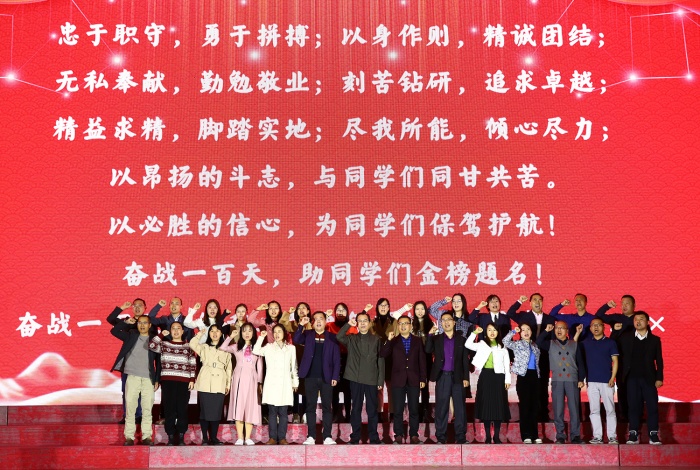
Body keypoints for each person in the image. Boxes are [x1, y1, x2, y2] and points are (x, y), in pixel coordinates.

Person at [107, 298, 165, 424]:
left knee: (143, 393)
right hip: (129, 364)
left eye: (140, 305)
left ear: (145, 308)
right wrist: (123, 311)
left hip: (145, 365)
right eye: (135, 306)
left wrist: (156, 376)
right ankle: (127, 415)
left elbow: (155, 350)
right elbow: (111, 320)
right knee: (127, 392)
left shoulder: (151, 325)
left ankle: (139, 416)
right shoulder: (129, 321)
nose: (137, 308)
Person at [613, 311, 664, 445]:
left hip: (649, 379)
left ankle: (653, 434)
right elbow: (612, 346)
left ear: (647, 322)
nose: (638, 321)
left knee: (652, 406)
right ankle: (633, 433)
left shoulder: (655, 340)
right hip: (631, 378)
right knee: (633, 406)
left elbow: (659, 361)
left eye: (641, 319)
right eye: (636, 319)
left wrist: (659, 378)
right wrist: (615, 331)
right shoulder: (625, 338)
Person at [110, 315, 160, 446]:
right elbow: (114, 331)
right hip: (132, 377)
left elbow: (158, 361)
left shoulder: (154, 340)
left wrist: (157, 379)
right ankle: (129, 437)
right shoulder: (130, 336)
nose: (142, 325)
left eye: (145, 323)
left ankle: (147, 436)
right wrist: (126, 322)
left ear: (150, 325)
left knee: (147, 409)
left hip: (148, 378)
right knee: (130, 408)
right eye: (140, 323)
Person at [506, 294, 556, 422]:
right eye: (534, 300)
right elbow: (510, 313)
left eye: (540, 300)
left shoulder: (550, 319)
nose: (537, 302)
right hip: (526, 358)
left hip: (543, 356)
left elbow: (552, 339)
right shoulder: (524, 316)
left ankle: (543, 415)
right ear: (530, 303)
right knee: (525, 388)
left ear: (543, 302)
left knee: (543, 386)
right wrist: (519, 301)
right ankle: (525, 415)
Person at [293, 311, 341, 445]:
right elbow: (296, 339)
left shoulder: (333, 337)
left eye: (321, 319)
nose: (318, 321)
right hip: (310, 376)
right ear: (312, 323)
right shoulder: (307, 335)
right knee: (310, 407)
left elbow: (336, 359)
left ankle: (327, 436)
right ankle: (311, 436)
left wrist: (335, 376)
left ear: (326, 321)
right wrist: (301, 325)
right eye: (315, 319)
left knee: (327, 407)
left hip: (327, 377)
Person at [338, 311, 385, 444]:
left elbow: (380, 361)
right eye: (360, 321)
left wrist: (380, 380)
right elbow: (339, 336)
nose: (363, 323)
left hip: (371, 379)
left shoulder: (377, 339)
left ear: (369, 323)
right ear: (357, 324)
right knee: (356, 409)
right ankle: (355, 437)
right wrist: (348, 324)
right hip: (355, 378)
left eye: (365, 321)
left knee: (372, 410)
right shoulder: (352, 338)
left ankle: (374, 437)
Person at [380, 315, 427, 444]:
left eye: (406, 323)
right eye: (400, 323)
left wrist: (423, 378)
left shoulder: (417, 341)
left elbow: (422, 361)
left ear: (410, 326)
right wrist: (388, 340)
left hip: (414, 379)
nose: (403, 326)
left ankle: (414, 435)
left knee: (414, 409)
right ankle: (398, 435)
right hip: (397, 379)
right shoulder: (393, 340)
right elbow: (383, 354)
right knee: (398, 410)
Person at [425, 312, 471, 444]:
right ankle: (441, 436)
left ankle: (461, 437)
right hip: (442, 376)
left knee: (460, 408)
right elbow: (428, 350)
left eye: (448, 319)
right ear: (441, 323)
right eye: (443, 320)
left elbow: (465, 360)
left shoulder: (461, 339)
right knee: (441, 408)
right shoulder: (437, 339)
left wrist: (466, 377)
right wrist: (429, 335)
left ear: (454, 322)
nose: (446, 322)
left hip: (458, 377)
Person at [148, 321, 196, 446]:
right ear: (170, 331)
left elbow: (192, 363)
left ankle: (181, 436)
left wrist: (192, 379)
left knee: (182, 409)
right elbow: (151, 346)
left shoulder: (188, 346)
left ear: (182, 331)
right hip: (168, 381)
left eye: (178, 328)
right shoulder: (164, 344)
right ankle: (170, 436)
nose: (176, 331)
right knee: (169, 409)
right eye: (173, 328)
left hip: (184, 381)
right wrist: (161, 335)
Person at [537, 322, 586, 444]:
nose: (559, 330)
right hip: (557, 380)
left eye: (562, 328)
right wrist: (546, 331)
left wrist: (581, 379)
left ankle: (575, 435)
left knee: (574, 409)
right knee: (558, 410)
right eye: (557, 328)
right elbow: (538, 342)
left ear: (567, 331)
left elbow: (581, 363)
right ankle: (560, 435)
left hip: (572, 380)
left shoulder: (575, 344)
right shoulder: (551, 344)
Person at [253, 324, 299, 445]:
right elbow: (255, 350)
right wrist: (261, 337)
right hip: (271, 384)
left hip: (285, 383)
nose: (277, 334)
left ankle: (282, 438)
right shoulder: (268, 347)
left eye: (279, 331)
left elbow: (293, 366)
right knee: (272, 412)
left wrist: (295, 382)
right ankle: (272, 438)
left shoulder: (291, 348)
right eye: (275, 332)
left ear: (284, 333)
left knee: (283, 412)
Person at [466, 324, 511, 444]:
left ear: (498, 332)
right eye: (489, 330)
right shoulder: (482, 344)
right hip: (485, 376)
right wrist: (475, 333)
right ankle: (487, 437)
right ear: (486, 332)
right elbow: (468, 344)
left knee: (498, 407)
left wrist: (507, 380)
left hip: (499, 378)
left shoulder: (503, 347)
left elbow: (507, 365)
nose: (492, 332)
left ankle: (496, 436)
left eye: (494, 330)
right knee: (486, 406)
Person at [220, 322, 263, 445]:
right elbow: (222, 348)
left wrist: (259, 382)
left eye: (250, 331)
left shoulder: (257, 347)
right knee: (238, 406)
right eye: (244, 331)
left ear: (253, 333)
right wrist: (230, 337)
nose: (247, 333)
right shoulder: (236, 346)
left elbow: (260, 366)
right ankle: (240, 437)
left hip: (252, 379)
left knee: (250, 406)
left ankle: (248, 437)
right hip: (238, 378)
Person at [189, 324, 232, 445]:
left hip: (219, 381)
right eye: (212, 331)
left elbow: (229, 369)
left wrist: (228, 384)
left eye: (217, 331)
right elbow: (192, 344)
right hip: (206, 381)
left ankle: (214, 437)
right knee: (204, 412)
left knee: (216, 412)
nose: (214, 333)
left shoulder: (226, 349)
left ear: (221, 333)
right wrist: (200, 334)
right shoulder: (204, 347)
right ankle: (205, 438)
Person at [596, 295, 636, 421]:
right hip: (620, 360)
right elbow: (598, 316)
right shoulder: (616, 318)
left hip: (635, 361)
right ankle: (623, 415)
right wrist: (607, 306)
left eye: (627, 303)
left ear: (634, 305)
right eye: (622, 303)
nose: (624, 306)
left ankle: (636, 415)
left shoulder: (638, 319)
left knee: (635, 390)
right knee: (622, 388)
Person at [580, 318, 619, 444]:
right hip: (591, 381)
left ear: (603, 327)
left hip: (607, 381)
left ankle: (612, 436)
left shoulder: (610, 342)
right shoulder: (585, 343)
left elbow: (615, 361)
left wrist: (612, 378)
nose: (596, 327)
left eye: (598, 325)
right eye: (593, 325)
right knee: (594, 410)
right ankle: (597, 436)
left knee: (610, 409)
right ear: (590, 328)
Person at [503, 324, 542, 444]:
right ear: (520, 333)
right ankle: (526, 435)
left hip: (535, 377)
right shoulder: (518, 344)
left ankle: (535, 435)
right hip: (523, 377)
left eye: (528, 329)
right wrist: (514, 331)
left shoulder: (535, 346)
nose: (526, 332)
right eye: (523, 330)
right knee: (525, 407)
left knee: (534, 407)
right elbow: (505, 341)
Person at [326, 302, 353, 423]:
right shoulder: (329, 325)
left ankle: (348, 414)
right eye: (338, 310)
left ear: (347, 312)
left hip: (348, 359)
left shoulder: (352, 327)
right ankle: (335, 414)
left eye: (343, 310)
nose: (340, 312)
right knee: (334, 389)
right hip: (333, 360)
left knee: (348, 390)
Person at [410, 301, 435, 422]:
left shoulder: (430, 324)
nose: (420, 311)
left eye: (422, 309)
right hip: (414, 359)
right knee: (414, 386)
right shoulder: (410, 324)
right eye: (417, 309)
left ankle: (426, 412)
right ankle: (415, 414)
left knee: (425, 386)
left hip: (427, 357)